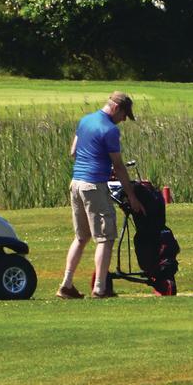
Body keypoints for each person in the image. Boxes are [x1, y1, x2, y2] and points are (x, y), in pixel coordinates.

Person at [59, 91, 144, 300]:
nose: (124, 120)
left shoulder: (85, 120)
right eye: (124, 115)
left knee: (81, 237)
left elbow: (73, 151)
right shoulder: (110, 130)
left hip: (76, 184)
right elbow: (119, 166)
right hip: (94, 186)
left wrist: (97, 161)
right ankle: (100, 287)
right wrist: (132, 197)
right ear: (116, 108)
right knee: (105, 237)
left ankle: (66, 285)